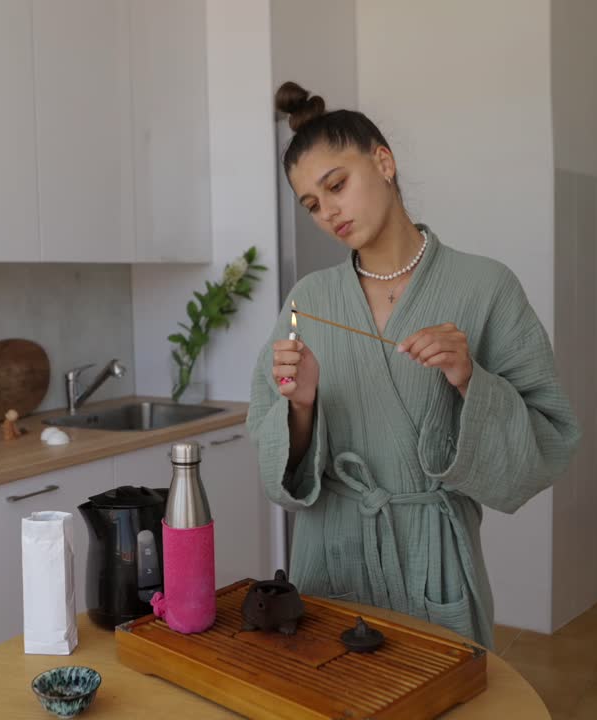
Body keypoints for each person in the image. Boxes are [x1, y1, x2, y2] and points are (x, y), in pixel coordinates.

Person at [247, 82, 580, 650]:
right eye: (312, 204)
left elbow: (549, 435)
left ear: (383, 161)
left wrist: (471, 378)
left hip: (434, 557)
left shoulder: (485, 287)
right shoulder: (310, 300)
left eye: (336, 185)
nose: (328, 212)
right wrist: (300, 405)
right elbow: (277, 452)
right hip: (329, 553)